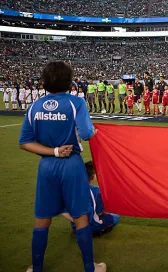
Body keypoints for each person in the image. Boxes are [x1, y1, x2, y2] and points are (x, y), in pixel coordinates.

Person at [18, 61, 106, 272]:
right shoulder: (76, 103)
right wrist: (94, 132)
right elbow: (86, 133)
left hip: (47, 166)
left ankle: (36, 268)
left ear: (45, 82)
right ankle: (89, 268)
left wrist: (53, 151)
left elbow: (24, 142)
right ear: (69, 81)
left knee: (42, 218)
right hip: (72, 165)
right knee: (80, 215)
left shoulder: (35, 106)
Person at [61, 161, 120, 237]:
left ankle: (79, 228)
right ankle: (99, 230)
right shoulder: (97, 191)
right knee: (116, 216)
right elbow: (100, 212)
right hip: (93, 225)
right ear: (92, 177)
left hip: (77, 225)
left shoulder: (71, 190)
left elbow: (63, 211)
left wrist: (78, 222)